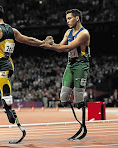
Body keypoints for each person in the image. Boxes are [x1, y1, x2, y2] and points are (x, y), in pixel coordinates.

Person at [0, 5, 46, 124]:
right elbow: (28, 40)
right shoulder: (12, 30)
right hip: (5, 67)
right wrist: (43, 43)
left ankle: (8, 109)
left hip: (0, 66)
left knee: (5, 93)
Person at [41, 9, 90, 140]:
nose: (67, 21)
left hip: (81, 64)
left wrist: (50, 47)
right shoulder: (68, 32)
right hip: (71, 64)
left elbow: (68, 48)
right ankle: (78, 116)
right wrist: (51, 43)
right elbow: (60, 47)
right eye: (67, 18)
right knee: (63, 97)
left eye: (69, 18)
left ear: (77, 18)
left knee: (79, 98)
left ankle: (83, 124)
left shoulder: (84, 33)